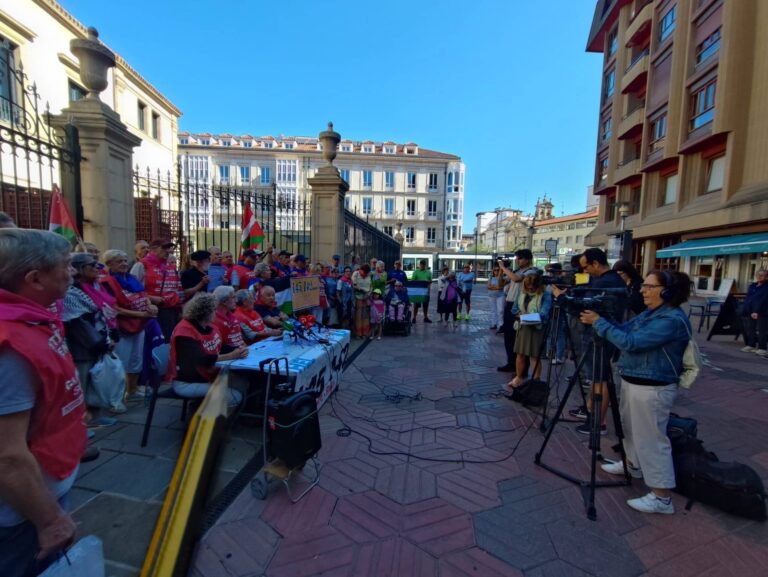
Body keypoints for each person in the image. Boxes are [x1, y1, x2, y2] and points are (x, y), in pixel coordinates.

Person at [0, 229, 86, 576]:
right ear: (34, 279)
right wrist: (50, 521)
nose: (73, 272)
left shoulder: (30, 319)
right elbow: (7, 456)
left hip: (43, 487)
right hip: (22, 513)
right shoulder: (10, 345)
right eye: (65, 264)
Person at [581, 270, 693, 515]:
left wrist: (598, 322)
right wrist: (602, 317)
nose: (642, 290)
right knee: (630, 430)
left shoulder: (670, 319)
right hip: (635, 380)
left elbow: (631, 343)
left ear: (666, 292)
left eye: (650, 287)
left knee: (651, 440)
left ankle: (662, 497)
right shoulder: (652, 313)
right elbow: (624, 330)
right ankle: (632, 465)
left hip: (653, 386)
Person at [555, 248, 627, 434]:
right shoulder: (603, 280)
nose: (584, 271)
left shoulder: (607, 282)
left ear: (596, 263)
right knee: (596, 378)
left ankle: (597, 423)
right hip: (597, 334)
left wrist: (562, 298)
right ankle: (591, 412)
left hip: (600, 337)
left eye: (585, 267)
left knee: (599, 379)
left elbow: (583, 306)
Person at [62, 252, 124, 420]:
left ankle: (96, 415)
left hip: (100, 340)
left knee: (96, 382)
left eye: (98, 265)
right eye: (92, 265)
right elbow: (78, 323)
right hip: (83, 346)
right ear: (79, 269)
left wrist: (111, 335)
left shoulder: (97, 287)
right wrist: (101, 343)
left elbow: (105, 313)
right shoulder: (71, 292)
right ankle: (82, 420)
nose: (98, 268)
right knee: (82, 383)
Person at [167, 293, 247, 407]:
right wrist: (232, 355)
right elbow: (201, 360)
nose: (216, 312)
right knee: (235, 397)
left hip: (205, 376)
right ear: (205, 313)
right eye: (214, 310)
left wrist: (238, 349)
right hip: (187, 382)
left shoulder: (207, 326)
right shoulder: (184, 332)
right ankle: (206, 415)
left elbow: (219, 346)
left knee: (243, 383)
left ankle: (202, 406)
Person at [101, 249, 158, 401]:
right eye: (119, 261)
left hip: (139, 326)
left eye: (125, 260)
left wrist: (150, 306)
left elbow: (143, 295)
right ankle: (116, 398)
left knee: (136, 361)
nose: (124, 264)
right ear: (109, 264)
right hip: (122, 327)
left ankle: (131, 391)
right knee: (121, 362)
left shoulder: (132, 278)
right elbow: (114, 308)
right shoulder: (107, 282)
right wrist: (142, 315)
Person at [505, 274, 552, 391]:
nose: (530, 289)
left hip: (536, 329)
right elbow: (514, 309)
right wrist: (519, 315)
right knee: (520, 354)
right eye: (528, 286)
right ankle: (518, 377)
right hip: (523, 328)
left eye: (533, 287)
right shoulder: (522, 293)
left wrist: (523, 317)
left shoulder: (545, 295)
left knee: (534, 356)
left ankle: (536, 381)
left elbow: (543, 315)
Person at [131, 239, 182, 342]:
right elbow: (131, 290)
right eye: (164, 248)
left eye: (169, 248)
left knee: (169, 341)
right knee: (157, 342)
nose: (169, 251)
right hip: (152, 311)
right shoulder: (141, 265)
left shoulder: (170, 266)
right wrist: (150, 298)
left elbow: (177, 288)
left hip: (171, 311)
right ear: (153, 249)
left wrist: (181, 308)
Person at [497, 250, 539, 372]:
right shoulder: (515, 271)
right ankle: (511, 363)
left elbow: (516, 279)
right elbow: (500, 284)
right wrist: (501, 270)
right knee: (509, 336)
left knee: (519, 338)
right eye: (517, 258)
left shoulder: (531, 271)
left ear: (528, 259)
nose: (517, 260)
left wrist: (503, 267)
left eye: (520, 258)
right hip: (510, 304)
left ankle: (522, 368)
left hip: (521, 306)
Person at [212, 286, 247, 353]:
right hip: (232, 356)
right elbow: (219, 348)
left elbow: (240, 340)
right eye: (233, 297)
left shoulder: (232, 316)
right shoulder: (216, 321)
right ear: (224, 301)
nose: (236, 300)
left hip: (242, 353)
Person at [740, 269, 768, 356]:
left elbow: (764, 300)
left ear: (766, 277)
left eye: (762, 275)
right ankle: (751, 345)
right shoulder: (753, 286)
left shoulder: (766, 287)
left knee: (762, 330)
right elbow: (749, 298)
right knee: (750, 328)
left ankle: (762, 348)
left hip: (762, 311)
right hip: (750, 310)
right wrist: (746, 309)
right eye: (758, 275)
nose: (759, 277)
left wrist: (757, 311)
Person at [352, 263, 372, 338]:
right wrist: (360, 289)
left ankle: (365, 333)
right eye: (364, 272)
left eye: (367, 273)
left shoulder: (369, 275)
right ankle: (358, 333)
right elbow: (353, 285)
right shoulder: (356, 274)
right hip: (358, 297)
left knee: (365, 315)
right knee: (358, 316)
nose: (365, 274)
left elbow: (371, 286)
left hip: (366, 297)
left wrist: (368, 294)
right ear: (360, 270)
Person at [487, 264, 507, 332]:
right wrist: (496, 287)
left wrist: (493, 287)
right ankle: (494, 323)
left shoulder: (503, 278)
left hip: (500, 296)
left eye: (498, 270)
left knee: (500, 310)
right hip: (491, 296)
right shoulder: (490, 277)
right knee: (493, 310)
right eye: (494, 270)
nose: (496, 271)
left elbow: (500, 287)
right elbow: (488, 286)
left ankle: (501, 325)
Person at [337, 266, 354, 330]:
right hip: (343, 303)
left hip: (349, 302)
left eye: (349, 271)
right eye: (347, 271)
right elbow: (337, 293)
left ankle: (347, 331)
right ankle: (342, 331)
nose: (348, 273)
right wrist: (341, 303)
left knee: (348, 318)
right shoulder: (340, 281)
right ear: (344, 273)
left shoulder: (351, 281)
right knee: (342, 318)